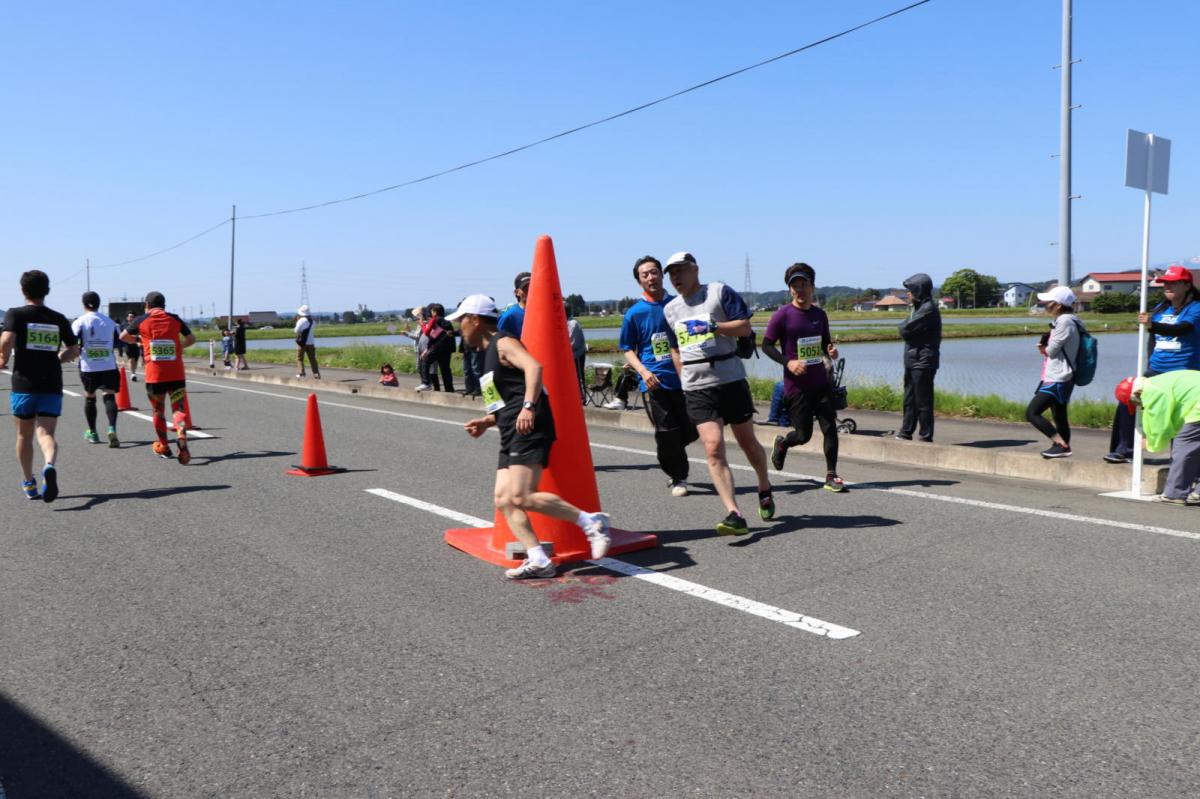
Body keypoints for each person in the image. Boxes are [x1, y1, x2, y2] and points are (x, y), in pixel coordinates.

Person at [450, 294, 612, 579]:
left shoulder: (504, 342)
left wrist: (528, 406)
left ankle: (591, 522)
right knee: (503, 499)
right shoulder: (486, 354)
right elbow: (505, 398)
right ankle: (539, 559)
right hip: (511, 427)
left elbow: (534, 367)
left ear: (475, 320)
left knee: (522, 495)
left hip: (530, 423)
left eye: (460, 320)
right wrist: (488, 421)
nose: (458, 327)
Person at [662, 251, 774, 534]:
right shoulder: (671, 309)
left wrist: (714, 327)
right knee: (712, 448)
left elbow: (745, 327)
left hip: (730, 379)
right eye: (671, 273)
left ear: (695, 269)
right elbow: (675, 348)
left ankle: (764, 485)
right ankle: (734, 513)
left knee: (747, 442)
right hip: (697, 386)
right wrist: (682, 376)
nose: (676, 277)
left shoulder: (718, 292)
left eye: (680, 270)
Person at [616, 255, 699, 496]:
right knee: (667, 431)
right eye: (645, 274)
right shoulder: (635, 313)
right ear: (639, 281)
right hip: (654, 381)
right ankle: (678, 477)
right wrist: (643, 371)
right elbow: (627, 349)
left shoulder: (678, 304)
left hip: (685, 377)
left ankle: (668, 451)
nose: (651, 277)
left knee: (692, 430)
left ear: (662, 275)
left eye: (654, 272)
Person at [763, 263, 846, 491]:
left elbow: (824, 342)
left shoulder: (820, 314)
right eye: (795, 285)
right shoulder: (782, 315)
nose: (800, 289)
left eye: (804, 284)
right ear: (790, 289)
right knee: (803, 435)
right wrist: (788, 362)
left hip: (821, 382)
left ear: (812, 286)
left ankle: (831, 475)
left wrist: (831, 351)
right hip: (796, 386)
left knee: (829, 428)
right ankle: (783, 444)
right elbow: (766, 346)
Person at [1105, 265, 1200, 463]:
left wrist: (1152, 325)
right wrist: (1149, 364)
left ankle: (1181, 460)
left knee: (1180, 415)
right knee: (1127, 398)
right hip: (1157, 370)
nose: (1167, 286)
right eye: (1165, 283)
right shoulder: (1160, 309)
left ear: (1186, 285)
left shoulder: (1196, 308)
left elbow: (1182, 329)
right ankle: (1124, 448)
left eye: (1173, 283)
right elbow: (1153, 340)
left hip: (1184, 372)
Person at [0, 270, 80, 501]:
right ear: (47, 291)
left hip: (24, 384)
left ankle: (29, 483)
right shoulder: (58, 318)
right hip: (52, 383)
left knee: (24, 436)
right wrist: (58, 359)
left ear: (23, 290)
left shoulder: (16, 314)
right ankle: (49, 465)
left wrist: (3, 359)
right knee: (45, 433)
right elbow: (74, 350)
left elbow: (6, 340)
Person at [120, 291, 196, 464]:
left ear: (147, 305)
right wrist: (179, 346)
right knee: (179, 408)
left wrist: (139, 340)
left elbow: (123, 336)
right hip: (176, 374)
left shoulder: (141, 320)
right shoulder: (175, 318)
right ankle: (181, 435)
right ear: (164, 305)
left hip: (155, 376)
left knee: (158, 411)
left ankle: (163, 446)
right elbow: (191, 338)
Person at [1115, 372, 1200, 505]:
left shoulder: (1152, 392)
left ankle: (1174, 494)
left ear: (1135, 395)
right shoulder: (1156, 382)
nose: (1138, 406)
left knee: (1184, 445)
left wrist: (1151, 442)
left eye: (1134, 403)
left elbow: (1161, 423)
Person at [1025, 286, 1083, 459]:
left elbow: (1051, 351)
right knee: (1059, 415)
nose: (1045, 305)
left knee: (1032, 412)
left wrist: (1044, 346)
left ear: (1058, 305)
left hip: (1058, 376)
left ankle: (1060, 443)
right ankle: (1062, 447)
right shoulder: (1072, 319)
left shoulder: (1064, 322)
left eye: (1048, 302)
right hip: (1064, 375)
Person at [71, 291, 122, 448]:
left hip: (89, 366)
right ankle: (112, 428)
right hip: (108, 365)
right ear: (99, 304)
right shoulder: (111, 322)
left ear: (83, 304)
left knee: (90, 396)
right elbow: (119, 343)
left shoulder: (79, 322)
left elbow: (73, 341)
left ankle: (93, 432)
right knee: (109, 396)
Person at [895, 273, 941, 442]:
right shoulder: (917, 308)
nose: (908, 293)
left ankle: (925, 435)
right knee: (909, 398)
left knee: (923, 400)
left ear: (919, 290)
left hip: (923, 360)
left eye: (911, 290)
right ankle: (906, 431)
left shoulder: (928, 309)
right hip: (912, 359)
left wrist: (905, 329)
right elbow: (907, 329)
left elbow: (904, 329)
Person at [424, 303, 455, 392]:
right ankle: (449, 389)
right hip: (447, 349)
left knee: (425, 362)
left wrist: (428, 348)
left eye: (432, 311)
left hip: (437, 348)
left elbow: (432, 336)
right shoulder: (447, 321)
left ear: (435, 312)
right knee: (445, 369)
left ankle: (426, 383)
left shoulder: (435, 321)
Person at [497, 272, 530, 337]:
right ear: (517, 292)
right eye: (525, 289)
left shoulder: (543, 314)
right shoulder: (509, 316)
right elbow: (498, 341)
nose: (529, 291)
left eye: (532, 287)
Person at [294, 304, 321, 380]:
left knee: (299, 359)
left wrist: (297, 322)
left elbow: (296, 331)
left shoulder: (301, 320)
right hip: (311, 343)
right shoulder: (313, 321)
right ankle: (316, 375)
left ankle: (302, 373)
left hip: (302, 343)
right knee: (312, 360)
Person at [124, 311, 141, 381]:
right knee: (131, 359)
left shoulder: (138, 326)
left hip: (136, 345)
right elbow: (122, 336)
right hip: (128, 345)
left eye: (132, 317)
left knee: (136, 360)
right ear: (127, 318)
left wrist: (139, 339)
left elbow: (140, 334)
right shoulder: (124, 326)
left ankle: (134, 372)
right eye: (129, 316)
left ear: (135, 318)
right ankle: (132, 373)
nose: (131, 318)